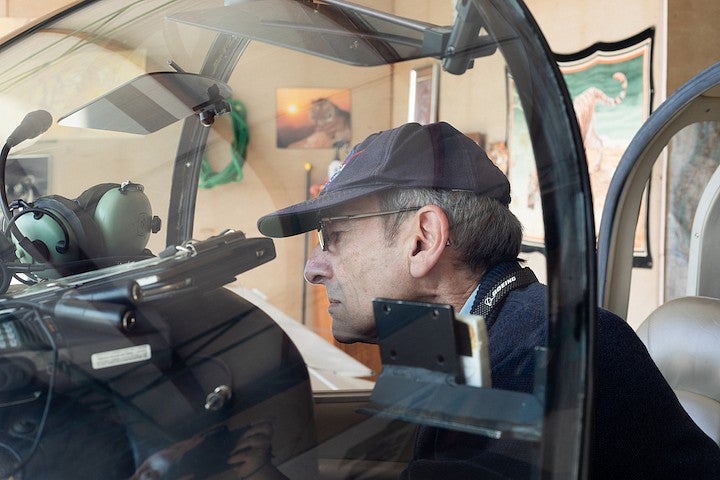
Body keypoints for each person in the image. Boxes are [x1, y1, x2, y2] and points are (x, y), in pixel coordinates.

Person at [257, 122, 720, 478]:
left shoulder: (539, 359)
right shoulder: (464, 330)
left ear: (423, 239)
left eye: (333, 237)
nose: (312, 268)